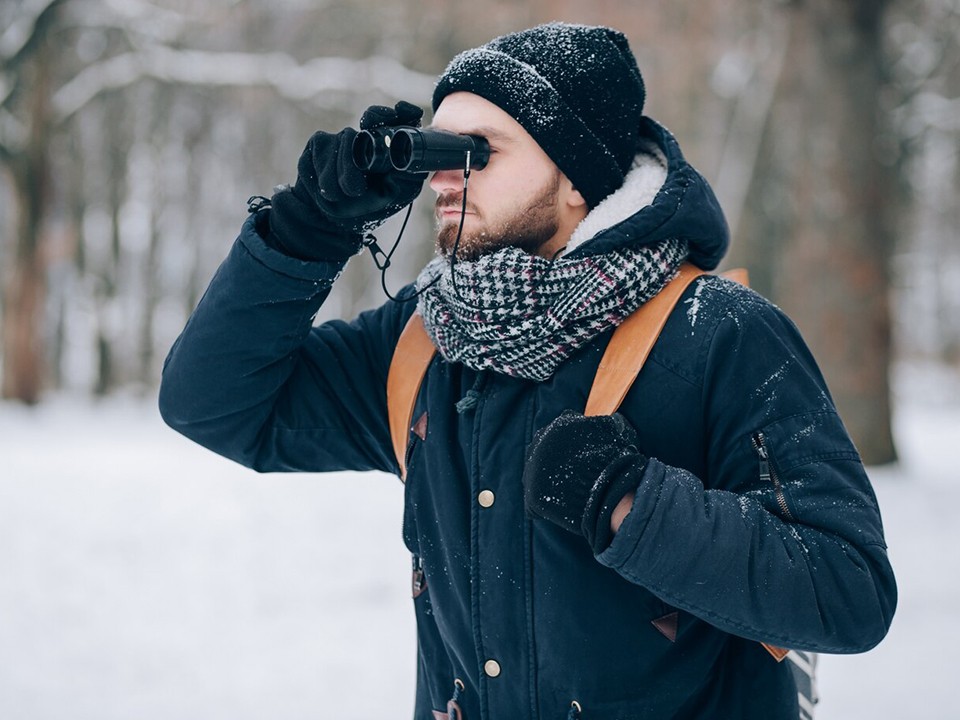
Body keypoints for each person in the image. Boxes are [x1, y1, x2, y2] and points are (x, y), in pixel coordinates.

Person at [159, 22, 896, 720]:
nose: (447, 174)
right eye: (439, 149)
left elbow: (847, 588)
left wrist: (631, 504)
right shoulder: (427, 337)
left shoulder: (721, 333)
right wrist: (305, 230)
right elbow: (215, 404)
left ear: (577, 178)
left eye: (479, 150)